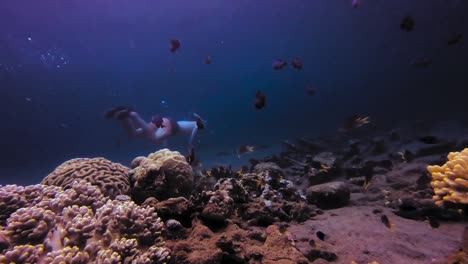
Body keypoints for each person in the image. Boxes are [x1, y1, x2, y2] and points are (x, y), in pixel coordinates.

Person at [105, 106, 205, 148]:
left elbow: (164, 135)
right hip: (172, 125)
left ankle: (124, 117)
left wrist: (164, 144)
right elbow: (192, 137)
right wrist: (190, 146)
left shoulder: (192, 122)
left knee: (134, 134)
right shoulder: (196, 125)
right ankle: (134, 115)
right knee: (154, 138)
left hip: (167, 121)